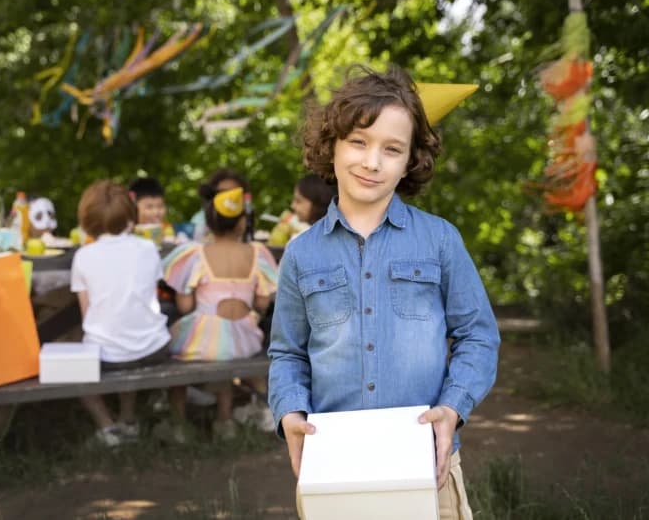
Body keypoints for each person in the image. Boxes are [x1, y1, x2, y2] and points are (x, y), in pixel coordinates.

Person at [267, 65, 500, 520]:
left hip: (425, 460)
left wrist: (453, 407)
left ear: (410, 159)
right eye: (358, 142)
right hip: (333, 462)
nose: (372, 162)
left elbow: (479, 335)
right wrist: (290, 412)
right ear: (331, 145)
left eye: (391, 149)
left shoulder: (440, 240)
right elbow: (288, 353)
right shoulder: (300, 254)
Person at [161, 184, 278, 442]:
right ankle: (225, 420)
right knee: (226, 343)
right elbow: (262, 302)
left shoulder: (194, 254)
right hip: (244, 339)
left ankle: (178, 424)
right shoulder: (259, 253)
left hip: (203, 339)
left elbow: (184, 307)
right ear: (241, 224)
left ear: (209, 224)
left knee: (178, 350)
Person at [71, 179, 172, 448]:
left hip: (110, 356)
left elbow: (87, 317)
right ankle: (129, 419)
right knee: (128, 335)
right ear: (130, 213)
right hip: (154, 347)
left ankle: (107, 427)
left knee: (71, 364)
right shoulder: (148, 248)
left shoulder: (83, 256)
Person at [190, 168, 250, 242]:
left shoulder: (248, 224)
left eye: (235, 194)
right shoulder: (199, 221)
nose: (230, 198)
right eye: (224, 193)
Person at [128, 177, 175, 241]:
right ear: (135, 206)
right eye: (149, 207)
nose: (156, 212)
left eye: (160, 206)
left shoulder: (167, 228)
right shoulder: (128, 230)